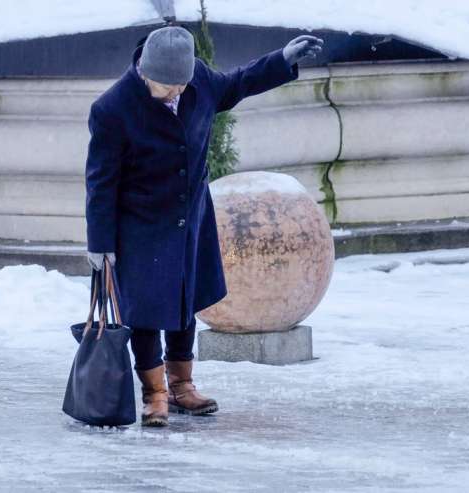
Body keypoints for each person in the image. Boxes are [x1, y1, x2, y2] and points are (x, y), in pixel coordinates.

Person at [85, 24, 323, 427]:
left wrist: (281, 61)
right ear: (144, 72)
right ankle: (154, 393)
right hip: (140, 223)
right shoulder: (112, 108)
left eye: (181, 85)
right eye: (166, 87)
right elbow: (100, 181)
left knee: (184, 301)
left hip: (190, 215)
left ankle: (182, 386)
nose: (176, 93)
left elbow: (237, 83)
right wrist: (100, 242)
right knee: (144, 310)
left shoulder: (198, 79)